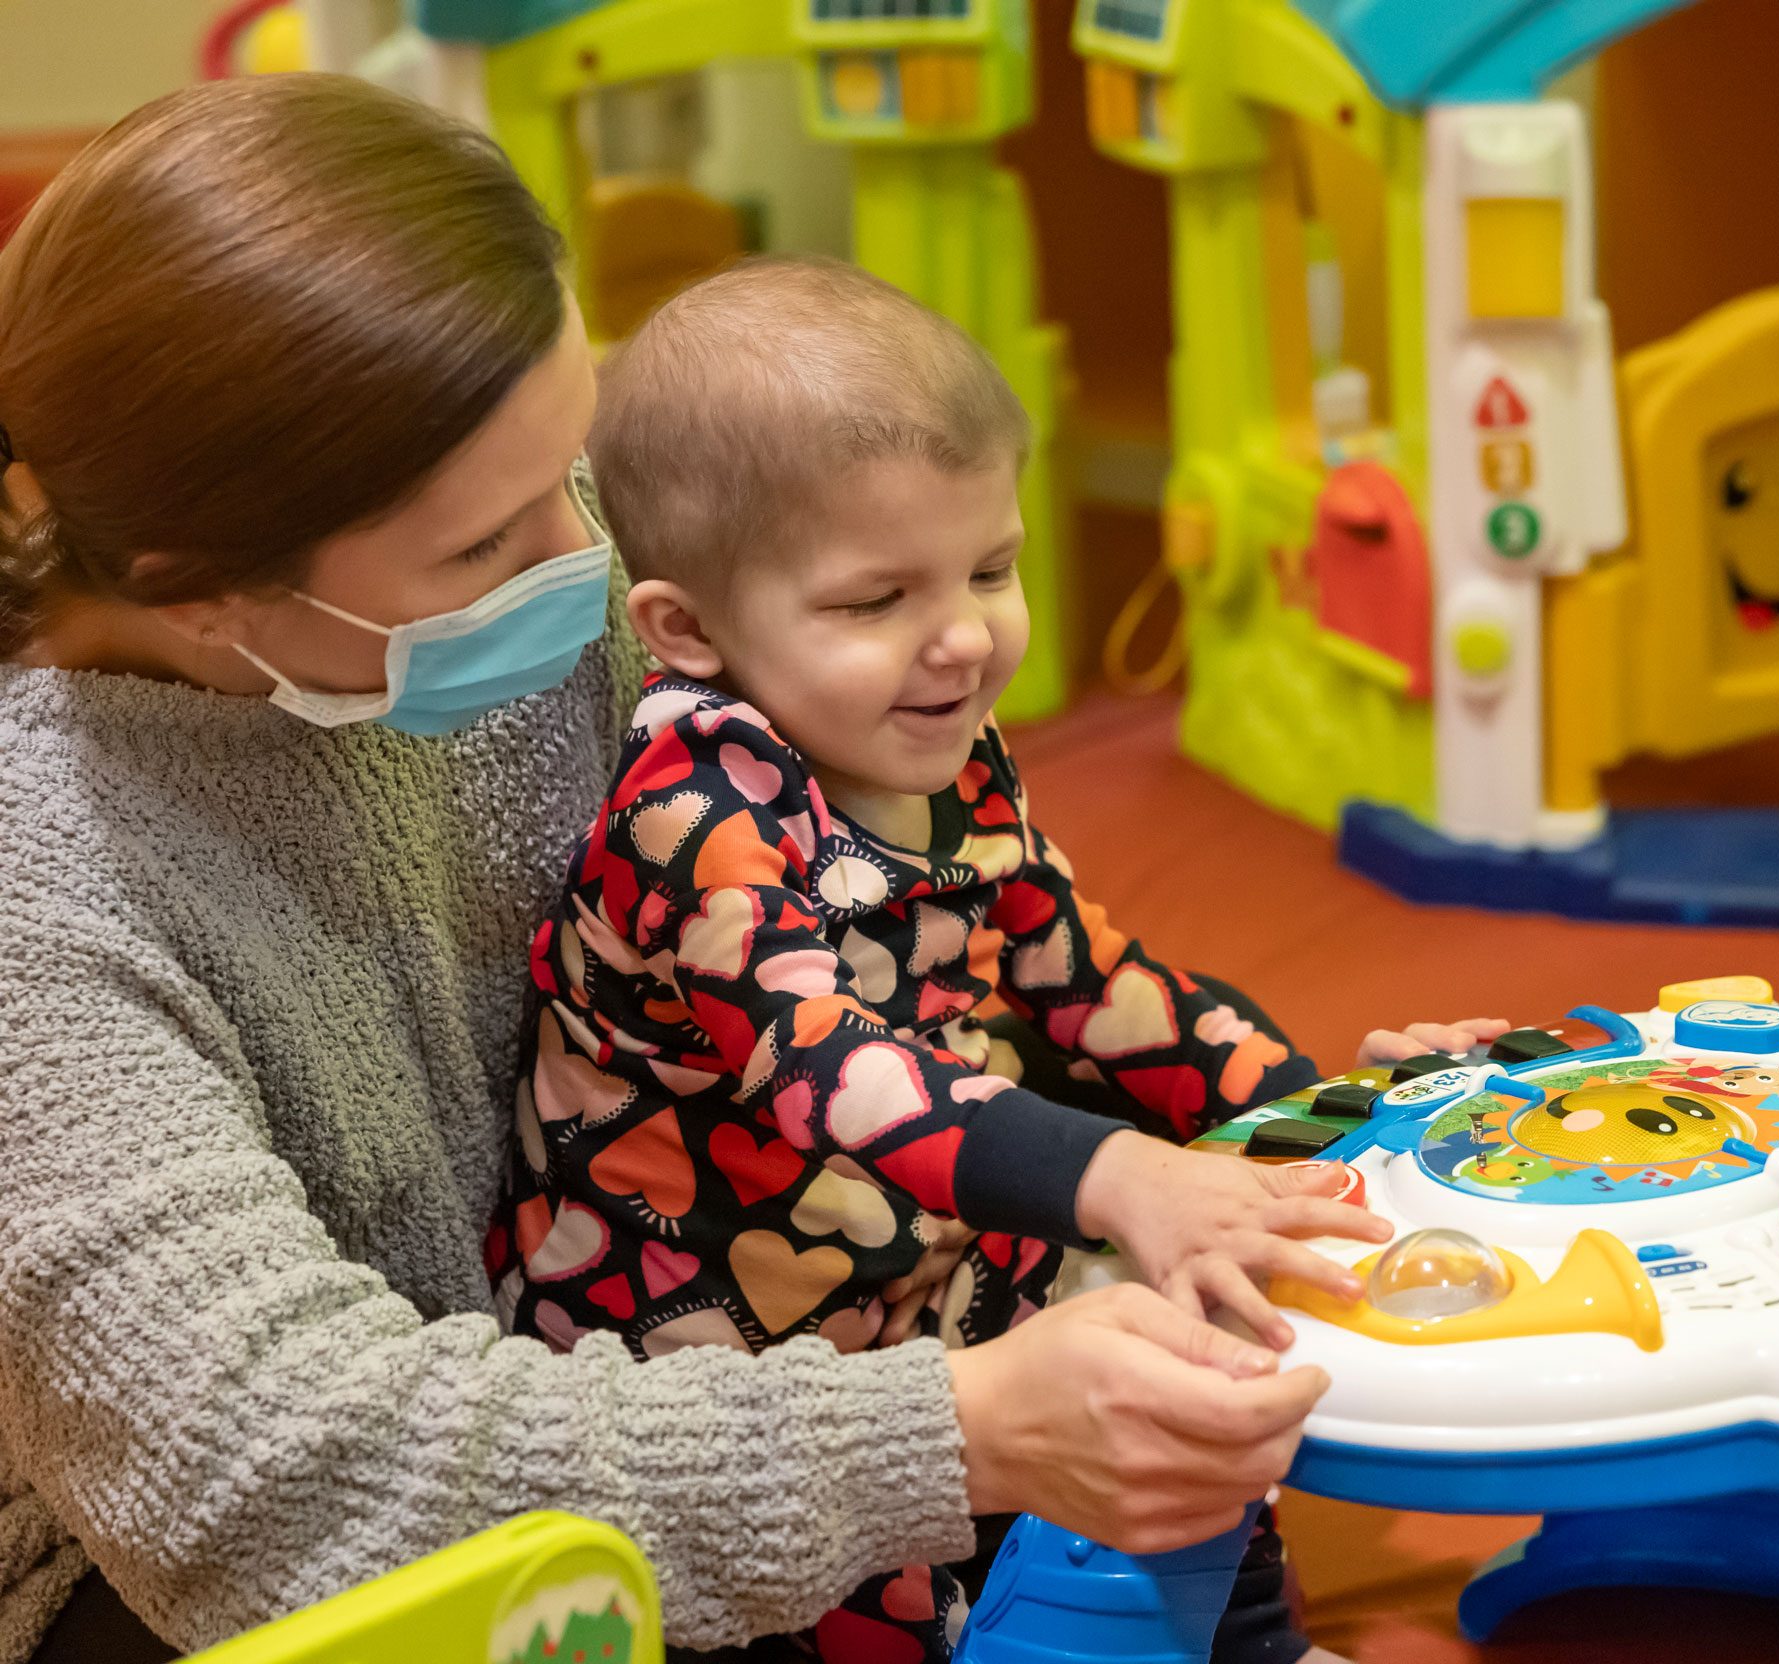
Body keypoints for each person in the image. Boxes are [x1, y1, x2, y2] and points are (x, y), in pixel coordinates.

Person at [0, 76, 1358, 1664]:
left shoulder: (535, 600)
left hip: (680, 1329)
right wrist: (954, 1429)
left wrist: (1300, 1132)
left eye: (570, 471)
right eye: (487, 546)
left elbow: (942, 953)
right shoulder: (48, 904)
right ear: (198, 589)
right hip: (240, 1569)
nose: (589, 572)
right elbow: (278, 1488)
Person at [492, 256, 1497, 1664]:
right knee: (900, 1588)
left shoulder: (939, 751)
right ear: (690, 630)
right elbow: (827, 1074)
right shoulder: (687, 812)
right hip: (718, 1340)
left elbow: (1091, 982)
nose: (962, 635)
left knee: (1184, 1380)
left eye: (989, 567)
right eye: (874, 600)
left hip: (941, 1251)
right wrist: (1113, 1172)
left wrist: (1331, 1112)